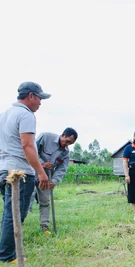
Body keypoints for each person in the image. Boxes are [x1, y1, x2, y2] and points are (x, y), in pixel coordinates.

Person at [0, 81, 51, 263]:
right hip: (19, 172)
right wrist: (41, 172)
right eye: (39, 98)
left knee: (9, 212)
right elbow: (27, 145)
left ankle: (6, 249)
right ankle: (7, 254)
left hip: (4, 168)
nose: (40, 102)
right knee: (15, 214)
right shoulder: (25, 114)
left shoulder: (4, 114)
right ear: (30, 96)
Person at [30, 127, 78, 234]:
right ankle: (17, 224)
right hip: (30, 171)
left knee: (45, 201)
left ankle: (45, 227)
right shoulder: (45, 137)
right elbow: (31, 150)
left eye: (70, 144)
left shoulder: (66, 153)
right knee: (25, 197)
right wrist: (42, 163)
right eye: (68, 141)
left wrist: (54, 181)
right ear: (63, 135)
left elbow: (62, 169)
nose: (68, 144)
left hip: (46, 177)